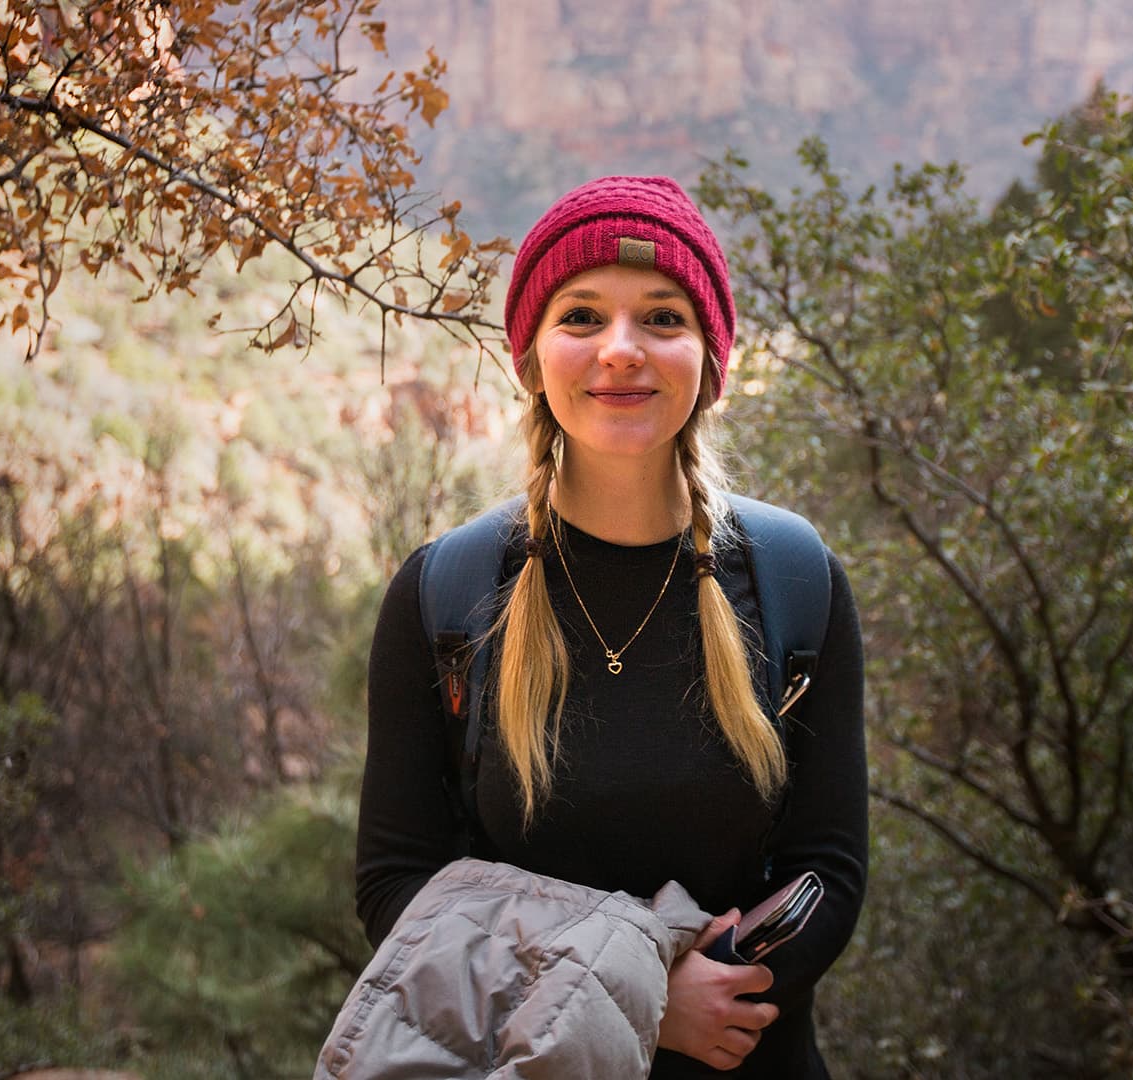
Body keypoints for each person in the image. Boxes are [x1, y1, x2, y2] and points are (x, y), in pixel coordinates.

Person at [354, 175, 868, 1077]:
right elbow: (396, 888)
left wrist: (734, 988)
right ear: (531, 356)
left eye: (663, 318)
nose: (621, 350)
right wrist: (646, 1002)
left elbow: (829, 866)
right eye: (582, 316)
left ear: (710, 360)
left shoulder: (794, 578)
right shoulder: (446, 596)